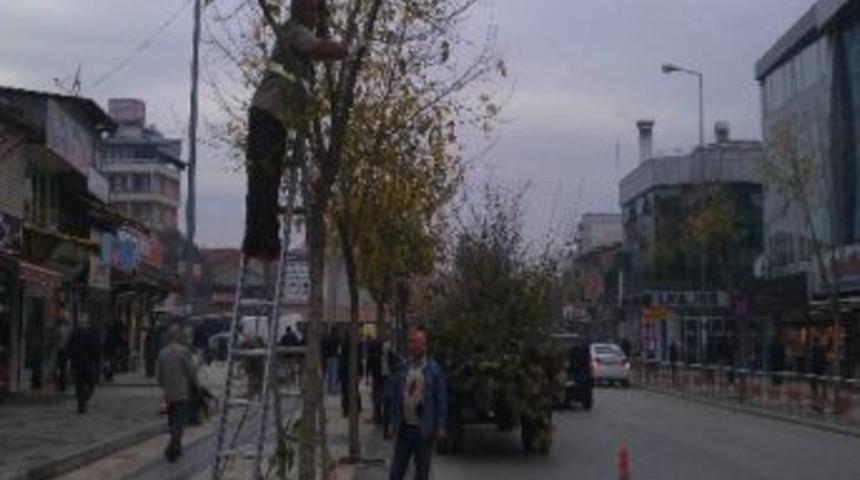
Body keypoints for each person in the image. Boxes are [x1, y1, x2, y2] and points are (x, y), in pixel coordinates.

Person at [241, 0, 349, 259]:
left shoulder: (300, 40)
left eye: (317, 12)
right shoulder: (293, 31)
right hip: (267, 114)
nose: (315, 16)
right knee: (263, 180)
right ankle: (261, 244)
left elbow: (318, 49)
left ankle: (262, 243)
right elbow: (324, 48)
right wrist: (346, 47)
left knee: (268, 179)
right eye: (312, 10)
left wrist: (324, 21)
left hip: (275, 118)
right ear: (300, 11)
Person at [388, 328, 448, 480]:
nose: (413, 346)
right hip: (404, 428)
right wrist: (392, 423)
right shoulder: (403, 367)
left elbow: (441, 399)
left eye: (417, 342)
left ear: (425, 345)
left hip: (423, 430)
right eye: (412, 342)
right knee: (396, 472)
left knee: (422, 472)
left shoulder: (434, 369)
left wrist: (440, 425)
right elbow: (396, 396)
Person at [157, 321, 202, 463]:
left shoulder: (162, 352)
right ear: (178, 336)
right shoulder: (183, 351)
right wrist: (197, 386)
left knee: (172, 420)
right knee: (180, 421)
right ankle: (172, 447)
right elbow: (191, 371)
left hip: (169, 393)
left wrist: (163, 386)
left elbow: (160, 375)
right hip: (182, 392)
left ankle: (177, 447)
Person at [67, 318, 100, 414]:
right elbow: (96, 349)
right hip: (87, 363)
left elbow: (69, 348)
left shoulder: (75, 334)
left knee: (79, 385)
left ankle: (81, 403)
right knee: (90, 383)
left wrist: (71, 359)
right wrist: (96, 361)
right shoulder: (91, 334)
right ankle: (83, 401)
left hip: (77, 363)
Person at [54, 317, 72, 392]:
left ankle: (61, 383)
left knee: (59, 368)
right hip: (66, 350)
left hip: (60, 350)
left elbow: (56, 339)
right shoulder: (69, 330)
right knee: (64, 368)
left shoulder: (59, 329)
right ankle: (63, 384)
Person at [322, 329, 340, 395]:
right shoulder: (338, 338)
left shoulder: (328, 338)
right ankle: (333, 388)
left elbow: (326, 347)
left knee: (329, 372)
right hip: (335, 356)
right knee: (334, 372)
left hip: (329, 357)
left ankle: (329, 388)